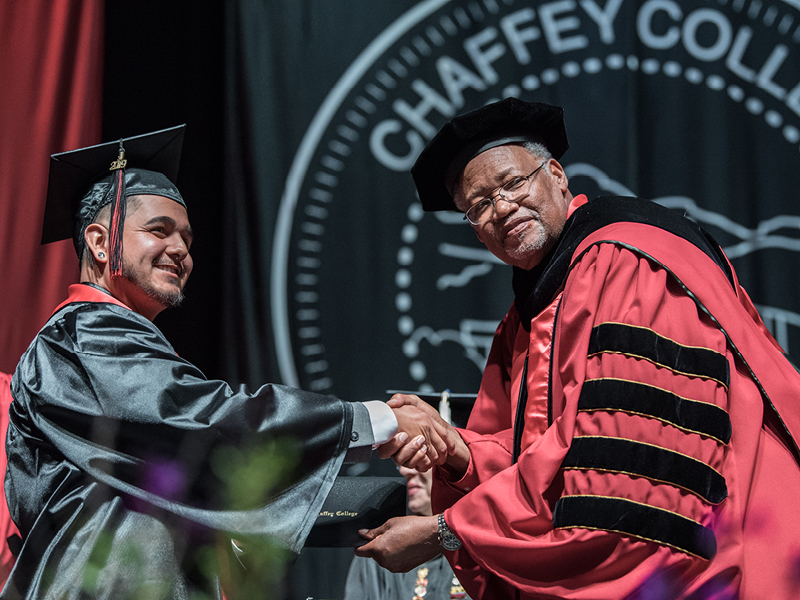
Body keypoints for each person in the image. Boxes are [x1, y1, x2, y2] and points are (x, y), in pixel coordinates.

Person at [356, 98, 800, 599]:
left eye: (512, 184)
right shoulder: (531, 310)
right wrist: (456, 450)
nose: (501, 209)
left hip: (729, 568)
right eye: (477, 206)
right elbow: (550, 452)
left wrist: (446, 531)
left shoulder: (630, 265)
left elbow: (627, 487)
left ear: (558, 175)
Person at [2, 126, 453, 599]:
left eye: (187, 239)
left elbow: (213, 469)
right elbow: (206, 419)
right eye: (159, 230)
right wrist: (373, 420)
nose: (181, 250)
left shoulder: (118, 347)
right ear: (99, 242)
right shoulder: (81, 335)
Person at [344, 416, 469, 600]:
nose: (405, 470)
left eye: (422, 457)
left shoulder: (483, 545)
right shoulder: (382, 548)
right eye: (404, 460)